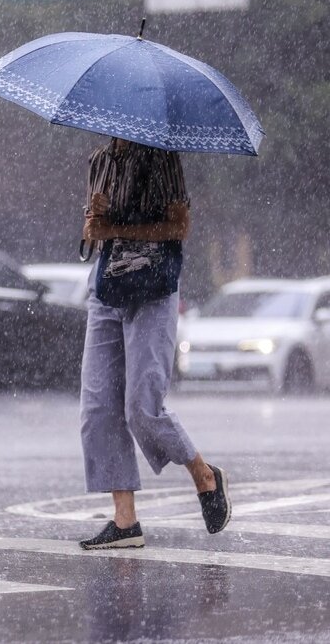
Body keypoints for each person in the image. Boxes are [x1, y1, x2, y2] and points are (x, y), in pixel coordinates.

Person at [78, 137, 231, 550]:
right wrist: (94, 225)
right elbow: (96, 236)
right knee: (98, 407)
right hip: (108, 289)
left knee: (142, 408)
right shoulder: (99, 161)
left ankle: (204, 475)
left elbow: (179, 228)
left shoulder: (161, 158)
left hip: (153, 288)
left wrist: (116, 227)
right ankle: (125, 522)